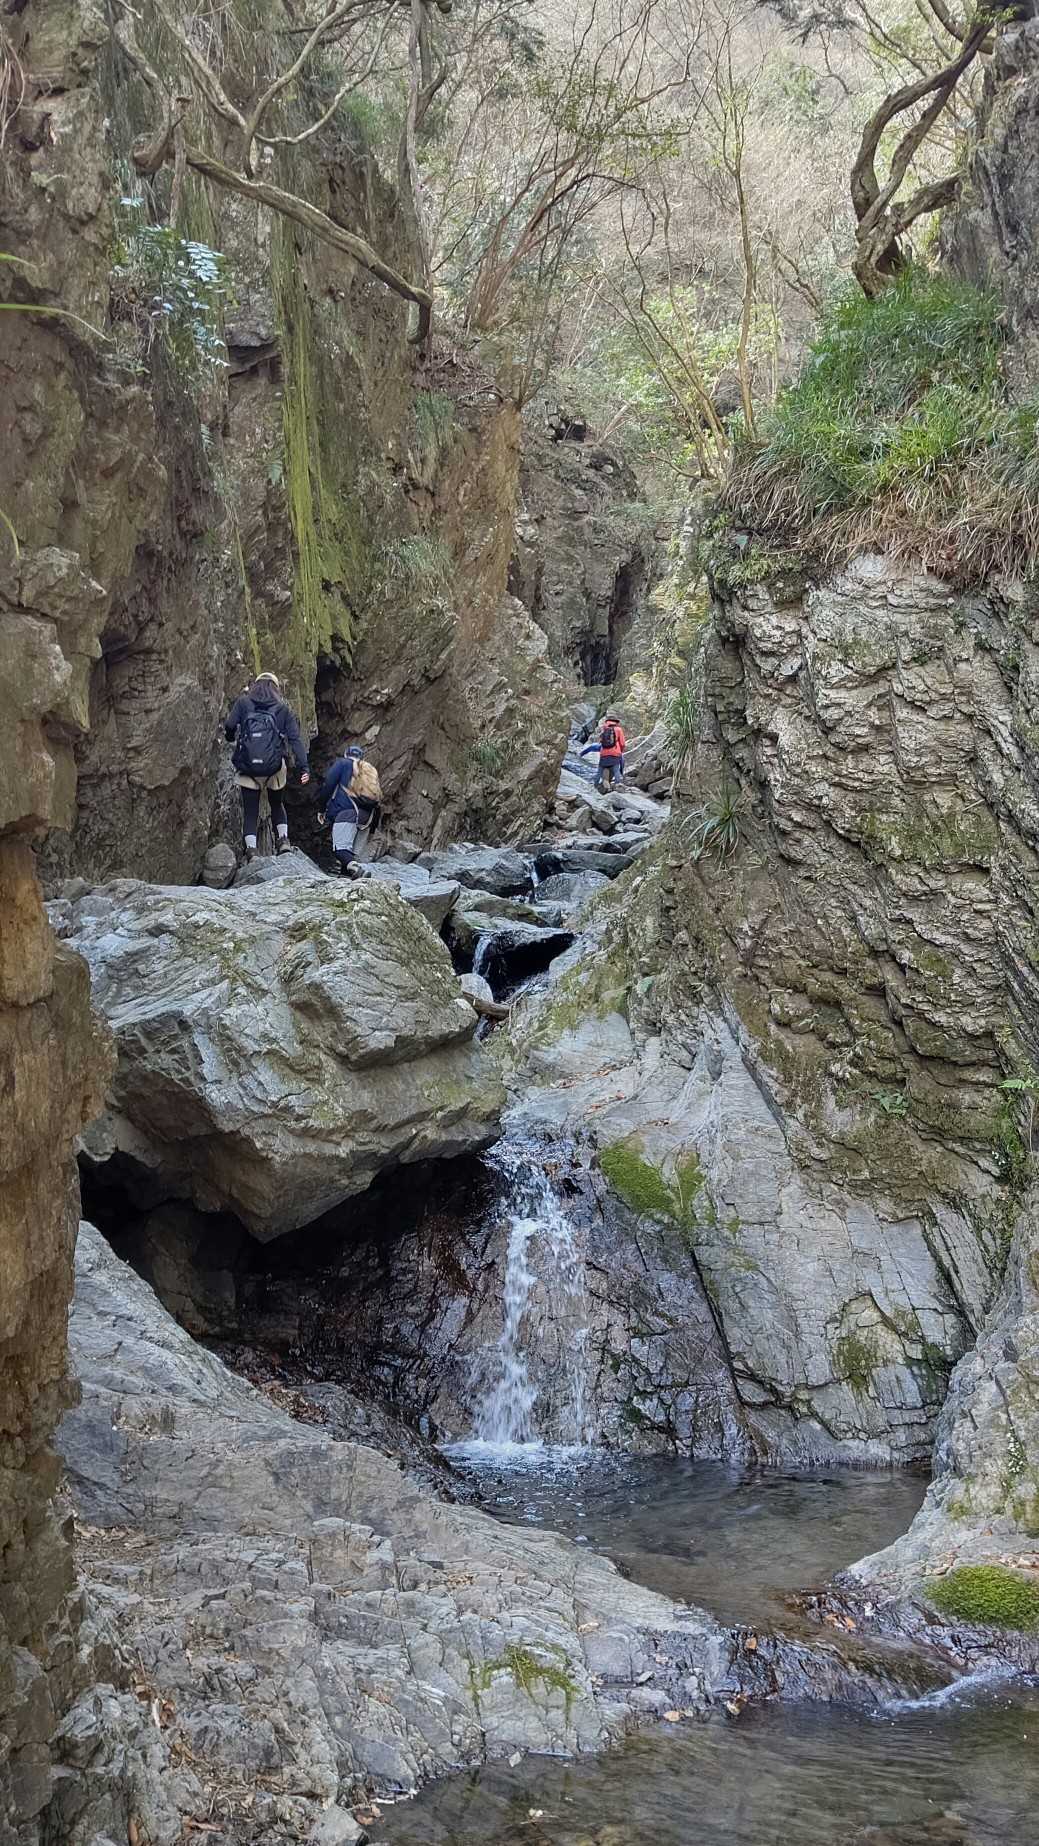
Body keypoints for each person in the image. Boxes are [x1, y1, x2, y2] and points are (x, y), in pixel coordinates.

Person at [224, 671, 311, 860]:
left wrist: (230, 737)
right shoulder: (282, 709)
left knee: (250, 812)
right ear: (275, 688)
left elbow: (229, 725)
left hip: (247, 767)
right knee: (277, 804)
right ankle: (283, 841)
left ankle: (252, 851)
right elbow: (295, 740)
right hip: (275, 768)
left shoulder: (243, 703)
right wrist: (304, 767)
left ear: (255, 686)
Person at [317, 743, 383, 876]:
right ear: (361, 758)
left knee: (340, 850)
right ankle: (346, 877)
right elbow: (376, 800)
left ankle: (357, 870)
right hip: (367, 818)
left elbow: (328, 785)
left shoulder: (343, 763)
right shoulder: (368, 771)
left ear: (346, 754)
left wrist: (322, 809)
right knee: (349, 852)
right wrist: (373, 829)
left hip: (346, 813)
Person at [581, 714, 626, 790]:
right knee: (616, 770)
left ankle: (594, 786)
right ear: (616, 722)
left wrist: (581, 754)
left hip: (604, 753)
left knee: (600, 771)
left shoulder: (604, 728)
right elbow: (622, 743)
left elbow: (601, 741)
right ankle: (617, 785)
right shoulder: (618, 729)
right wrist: (620, 751)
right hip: (615, 753)